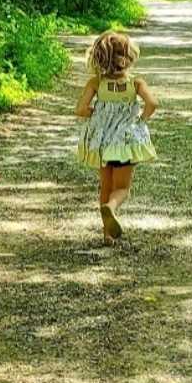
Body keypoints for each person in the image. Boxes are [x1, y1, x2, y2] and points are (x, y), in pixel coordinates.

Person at [75, 31, 158, 243]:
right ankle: (111, 207)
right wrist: (141, 120)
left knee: (105, 185)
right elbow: (152, 104)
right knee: (121, 188)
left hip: (102, 143)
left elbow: (81, 109)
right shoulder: (135, 84)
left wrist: (99, 115)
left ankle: (107, 234)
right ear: (127, 57)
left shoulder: (96, 83)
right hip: (124, 143)